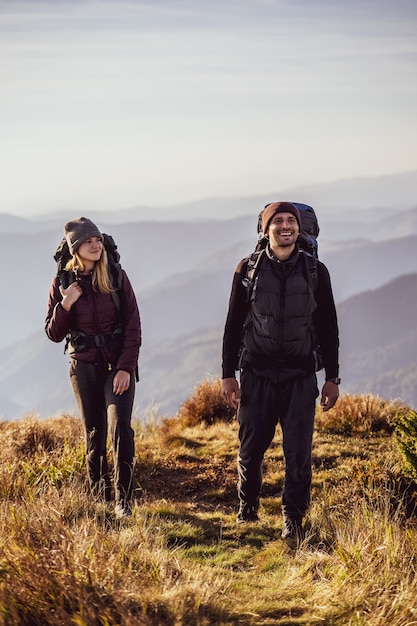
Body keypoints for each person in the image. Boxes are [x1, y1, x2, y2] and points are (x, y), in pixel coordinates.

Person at [221, 201, 340, 546]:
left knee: (298, 454)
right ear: (266, 228)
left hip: (300, 378)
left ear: (300, 228)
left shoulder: (317, 272)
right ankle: (247, 508)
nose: (286, 226)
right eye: (278, 221)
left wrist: (332, 377)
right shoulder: (247, 269)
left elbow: (328, 327)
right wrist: (227, 374)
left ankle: (294, 521)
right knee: (251, 449)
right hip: (256, 374)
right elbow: (232, 325)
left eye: (291, 221)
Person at [45, 217, 141, 519]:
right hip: (83, 367)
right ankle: (100, 498)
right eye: (88, 242)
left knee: (120, 429)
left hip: (117, 366)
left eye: (98, 240)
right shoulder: (62, 283)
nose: (96, 245)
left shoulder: (115, 276)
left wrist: (126, 367)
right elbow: (53, 332)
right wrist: (66, 304)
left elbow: (133, 326)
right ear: (76, 248)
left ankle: (123, 501)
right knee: (94, 434)